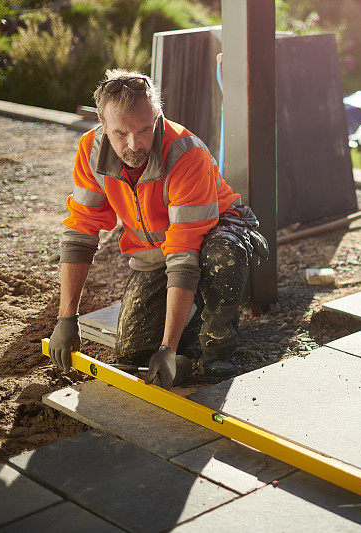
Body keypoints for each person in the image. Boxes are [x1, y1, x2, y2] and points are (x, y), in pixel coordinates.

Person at [47, 69, 267, 388]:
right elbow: (80, 233)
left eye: (143, 130)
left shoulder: (186, 154)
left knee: (220, 256)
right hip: (156, 247)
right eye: (121, 133)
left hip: (217, 228)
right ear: (103, 126)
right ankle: (192, 314)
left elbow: (183, 252)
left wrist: (168, 348)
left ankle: (218, 346)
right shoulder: (90, 152)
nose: (134, 144)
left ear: (157, 118)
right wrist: (66, 317)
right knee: (133, 353)